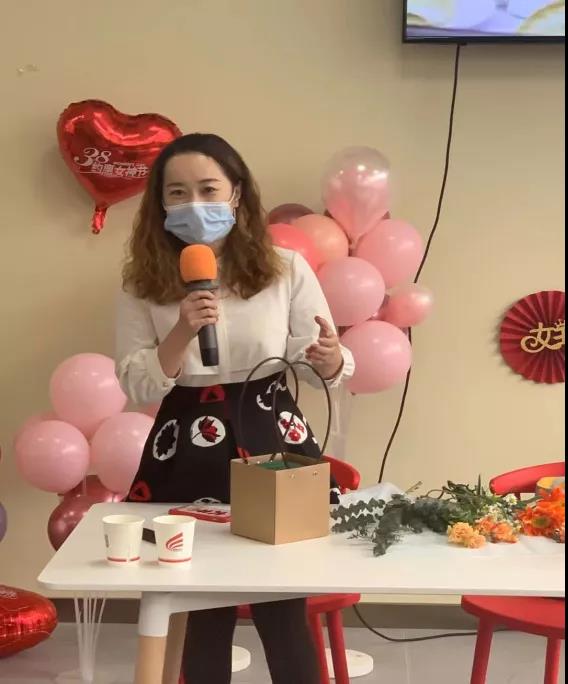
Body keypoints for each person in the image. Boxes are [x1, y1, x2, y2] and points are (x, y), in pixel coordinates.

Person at [116, 133, 354, 684]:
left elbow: (321, 366)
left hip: (269, 429)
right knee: (203, 605)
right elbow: (137, 384)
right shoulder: (142, 281)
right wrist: (182, 329)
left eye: (208, 189)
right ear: (160, 203)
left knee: (283, 604)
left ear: (237, 194)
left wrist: (330, 357)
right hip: (186, 441)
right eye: (178, 193)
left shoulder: (285, 268)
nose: (194, 204)